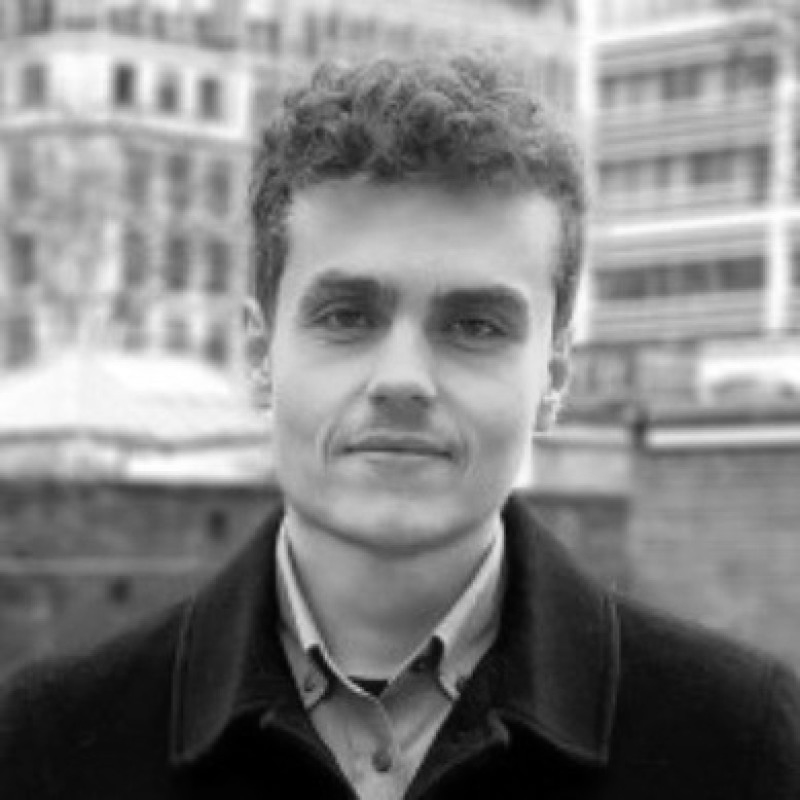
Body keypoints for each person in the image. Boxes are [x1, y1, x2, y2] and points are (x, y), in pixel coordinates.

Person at [1, 53, 799, 800]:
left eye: (475, 325)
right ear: (259, 354)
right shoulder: (49, 747)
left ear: (554, 378)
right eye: (347, 316)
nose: (402, 381)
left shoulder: (742, 749)